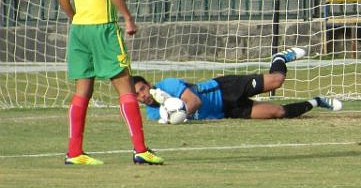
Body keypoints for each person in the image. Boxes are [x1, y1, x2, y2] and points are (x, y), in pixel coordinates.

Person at [52, 0, 163, 166]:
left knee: (82, 91)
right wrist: (127, 17)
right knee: (124, 85)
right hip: (103, 26)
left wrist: (74, 17)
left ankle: (75, 152)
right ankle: (140, 150)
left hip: (79, 29)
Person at [133, 47, 343, 121]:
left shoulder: (167, 85)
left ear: (148, 83)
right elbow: (167, 123)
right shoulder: (153, 114)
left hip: (224, 89)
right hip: (228, 111)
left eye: (142, 88)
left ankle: (279, 58)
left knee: (277, 80)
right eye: (137, 95)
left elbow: (194, 102)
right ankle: (317, 101)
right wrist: (168, 119)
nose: (142, 95)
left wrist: (175, 108)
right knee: (278, 112)